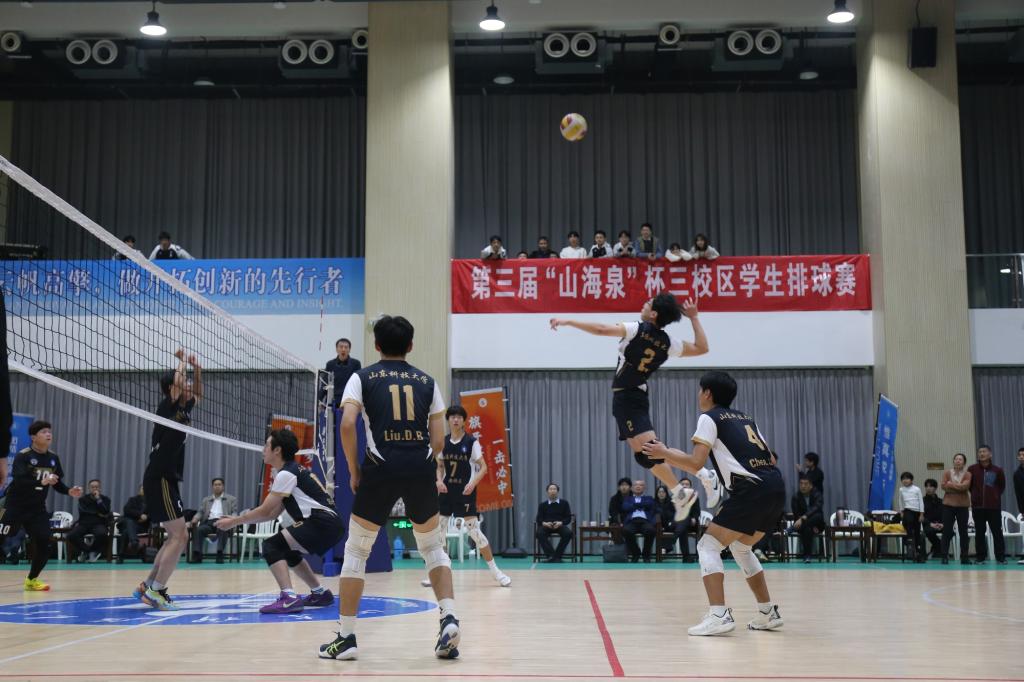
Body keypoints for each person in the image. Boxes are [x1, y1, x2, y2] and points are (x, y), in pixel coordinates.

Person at [318, 315, 459, 661]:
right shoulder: (427, 381)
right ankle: (449, 617)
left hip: (379, 466)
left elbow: (347, 424)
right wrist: (423, 462)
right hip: (419, 466)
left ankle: (346, 638)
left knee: (356, 552)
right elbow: (438, 440)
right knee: (432, 546)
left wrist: (354, 469)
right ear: (410, 346)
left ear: (376, 345)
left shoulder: (361, 377)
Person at [550, 293, 718, 525]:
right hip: (628, 397)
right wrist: (694, 318)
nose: (643, 304)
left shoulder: (637, 329)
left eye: (648, 303)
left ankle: (703, 475)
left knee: (652, 449)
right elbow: (702, 348)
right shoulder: (668, 342)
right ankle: (681, 493)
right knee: (645, 456)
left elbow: (600, 329)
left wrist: (568, 321)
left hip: (630, 397)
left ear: (654, 313)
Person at [643, 371, 785, 636]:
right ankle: (768, 612)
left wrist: (663, 453)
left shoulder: (709, 417)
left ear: (707, 393)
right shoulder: (746, 418)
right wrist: (667, 454)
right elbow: (772, 459)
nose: (698, 395)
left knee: (707, 545)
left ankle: (718, 615)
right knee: (742, 548)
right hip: (775, 486)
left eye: (700, 390)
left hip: (750, 489)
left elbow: (696, 462)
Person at [216, 430, 343, 614]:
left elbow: (265, 510)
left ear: (277, 450)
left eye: (267, 445)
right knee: (287, 550)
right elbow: (271, 514)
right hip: (330, 523)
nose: (263, 449)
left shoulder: (287, 474)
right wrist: (238, 521)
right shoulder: (291, 471)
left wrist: (234, 521)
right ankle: (320, 594)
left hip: (321, 521)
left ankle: (288, 598)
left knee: (271, 546)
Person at [133, 349, 202, 610]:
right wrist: (182, 361)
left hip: (166, 479)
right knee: (180, 536)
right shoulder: (167, 407)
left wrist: (198, 369)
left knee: (175, 536)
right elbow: (177, 382)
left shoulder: (183, 408)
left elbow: (198, 393)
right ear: (172, 387)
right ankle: (156, 591)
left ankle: (148, 586)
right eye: (183, 380)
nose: (187, 383)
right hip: (160, 477)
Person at [424, 405, 510, 586]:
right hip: (446, 492)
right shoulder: (443, 441)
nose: (455, 420)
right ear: (448, 420)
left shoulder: (471, 442)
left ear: (464, 420)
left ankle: (496, 572)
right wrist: (438, 481)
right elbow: (439, 466)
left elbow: (483, 467)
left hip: (465, 492)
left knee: (475, 533)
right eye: (452, 417)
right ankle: (440, 572)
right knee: (439, 533)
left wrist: (473, 483)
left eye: (459, 417)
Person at [0, 420, 83, 591]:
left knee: (45, 543)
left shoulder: (53, 458)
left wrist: (69, 491)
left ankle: (31, 580)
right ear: (33, 437)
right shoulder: (23, 456)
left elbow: (56, 483)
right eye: (44, 432)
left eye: (49, 431)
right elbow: (20, 480)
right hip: (13, 506)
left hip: (37, 509)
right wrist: (41, 481)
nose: (48, 434)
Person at [968, 445, 1006, 564]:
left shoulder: (997, 470)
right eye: (980, 452)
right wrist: (975, 497)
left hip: (993, 507)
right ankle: (980, 557)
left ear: (990, 454)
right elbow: (970, 486)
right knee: (979, 532)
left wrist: (994, 496)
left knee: (997, 532)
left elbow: (1001, 486)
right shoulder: (972, 469)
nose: (981, 454)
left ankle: (1000, 557)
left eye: (984, 451)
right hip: (978, 507)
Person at [189, 478, 237, 564]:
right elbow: (200, 512)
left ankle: (219, 553)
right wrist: (195, 519)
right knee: (199, 529)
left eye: (219, 485)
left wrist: (232, 519)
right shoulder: (206, 500)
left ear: (223, 486)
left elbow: (234, 512)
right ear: (212, 487)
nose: (217, 486)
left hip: (223, 521)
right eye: (215, 485)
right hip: (209, 523)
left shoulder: (231, 499)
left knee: (223, 528)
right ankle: (197, 555)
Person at [67, 479, 111, 563]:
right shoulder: (83, 499)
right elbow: (85, 510)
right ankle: (88, 551)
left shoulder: (105, 499)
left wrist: (98, 499)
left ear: (100, 488)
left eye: (96, 487)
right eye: (92, 487)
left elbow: (105, 511)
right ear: (89, 488)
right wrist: (98, 513)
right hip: (84, 523)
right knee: (71, 535)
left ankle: (92, 551)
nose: (94, 489)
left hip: (99, 523)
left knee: (102, 533)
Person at [940, 453, 972, 565]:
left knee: (963, 532)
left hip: (962, 506)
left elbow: (965, 487)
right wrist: (958, 486)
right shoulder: (947, 473)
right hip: (948, 505)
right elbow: (943, 486)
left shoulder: (968, 474)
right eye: (956, 459)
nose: (958, 461)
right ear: (953, 461)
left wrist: (950, 484)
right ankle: (944, 556)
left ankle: (965, 557)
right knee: (947, 531)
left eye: (960, 459)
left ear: (964, 462)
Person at [656, 481, 700, 561]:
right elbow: (668, 512)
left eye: (687, 484)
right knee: (682, 528)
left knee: (685, 519)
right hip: (675, 524)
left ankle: (670, 542)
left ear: (690, 487)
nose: (685, 485)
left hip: (689, 523)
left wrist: (694, 518)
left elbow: (697, 512)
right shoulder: (674, 498)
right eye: (682, 484)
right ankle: (686, 557)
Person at [535, 483, 573, 562]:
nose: (552, 491)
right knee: (539, 533)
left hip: (559, 525)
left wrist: (561, 523)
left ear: (557, 491)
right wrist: (544, 523)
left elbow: (568, 518)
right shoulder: (542, 505)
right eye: (550, 489)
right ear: (547, 492)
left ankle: (556, 556)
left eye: (554, 489)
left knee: (568, 533)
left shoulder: (564, 503)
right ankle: (551, 555)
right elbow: (539, 519)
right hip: (546, 525)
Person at [790, 477, 824, 563]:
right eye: (801, 484)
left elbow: (817, 507)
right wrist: (802, 520)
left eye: (805, 484)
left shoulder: (817, 494)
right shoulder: (796, 497)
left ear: (811, 486)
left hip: (817, 524)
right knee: (807, 529)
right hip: (801, 525)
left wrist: (804, 517)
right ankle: (807, 556)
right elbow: (796, 514)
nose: (803, 486)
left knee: (818, 515)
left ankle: (791, 529)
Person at [621, 480, 657, 563]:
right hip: (632, 521)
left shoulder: (649, 498)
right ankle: (636, 553)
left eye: (641, 485)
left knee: (651, 530)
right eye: (636, 485)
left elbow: (650, 504)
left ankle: (646, 555)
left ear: (644, 488)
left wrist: (634, 505)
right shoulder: (628, 498)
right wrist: (641, 505)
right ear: (632, 488)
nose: (638, 486)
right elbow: (625, 507)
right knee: (626, 531)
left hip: (645, 521)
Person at [323, 338, 362, 408]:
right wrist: (319, 400)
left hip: (350, 400)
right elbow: (325, 383)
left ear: (349, 350)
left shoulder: (356, 364)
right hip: (333, 401)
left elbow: (359, 383)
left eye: (346, 347)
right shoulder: (330, 364)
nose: (343, 349)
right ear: (337, 349)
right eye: (341, 347)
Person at [897, 472, 926, 563]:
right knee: (908, 522)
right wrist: (901, 511)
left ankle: (917, 551)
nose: (905, 480)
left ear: (911, 480)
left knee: (917, 531)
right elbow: (900, 500)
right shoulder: (901, 489)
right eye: (903, 479)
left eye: (907, 478)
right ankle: (909, 542)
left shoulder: (917, 489)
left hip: (917, 512)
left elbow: (921, 502)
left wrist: (921, 514)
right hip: (907, 510)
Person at [121, 485, 149, 552]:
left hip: (141, 526)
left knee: (126, 532)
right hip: (131, 522)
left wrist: (146, 517)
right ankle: (134, 542)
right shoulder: (132, 500)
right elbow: (126, 510)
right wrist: (140, 515)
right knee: (130, 522)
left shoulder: (151, 502)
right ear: (139, 491)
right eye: (142, 488)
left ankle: (122, 554)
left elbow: (154, 513)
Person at [1016, 448, 1024, 565]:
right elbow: (1018, 494)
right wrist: (1022, 510)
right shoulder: (1017, 474)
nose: (1022, 456)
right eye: (1020, 455)